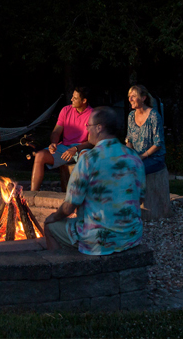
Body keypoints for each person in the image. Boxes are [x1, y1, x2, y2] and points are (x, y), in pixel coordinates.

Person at [43, 107, 145, 255]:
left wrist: (53, 217)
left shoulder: (89, 159)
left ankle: (62, 268)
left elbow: (70, 205)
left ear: (99, 128)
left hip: (99, 239)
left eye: (88, 126)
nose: (87, 129)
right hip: (131, 235)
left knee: (50, 227)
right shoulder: (134, 157)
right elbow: (140, 198)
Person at [30, 87, 94, 191]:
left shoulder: (93, 114)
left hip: (82, 148)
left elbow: (91, 142)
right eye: (72, 97)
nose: (71, 99)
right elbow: (56, 132)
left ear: (84, 101)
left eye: (75, 98)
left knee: (84, 156)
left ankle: (79, 196)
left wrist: (76, 149)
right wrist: (53, 143)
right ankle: (32, 195)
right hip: (64, 147)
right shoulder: (66, 110)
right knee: (40, 156)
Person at [126, 84, 172, 219]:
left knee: (132, 170)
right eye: (129, 96)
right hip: (138, 156)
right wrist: (130, 154)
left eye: (133, 96)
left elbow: (158, 144)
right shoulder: (130, 116)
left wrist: (141, 157)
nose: (130, 99)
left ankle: (133, 206)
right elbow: (129, 139)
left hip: (154, 158)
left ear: (143, 98)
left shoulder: (154, 116)